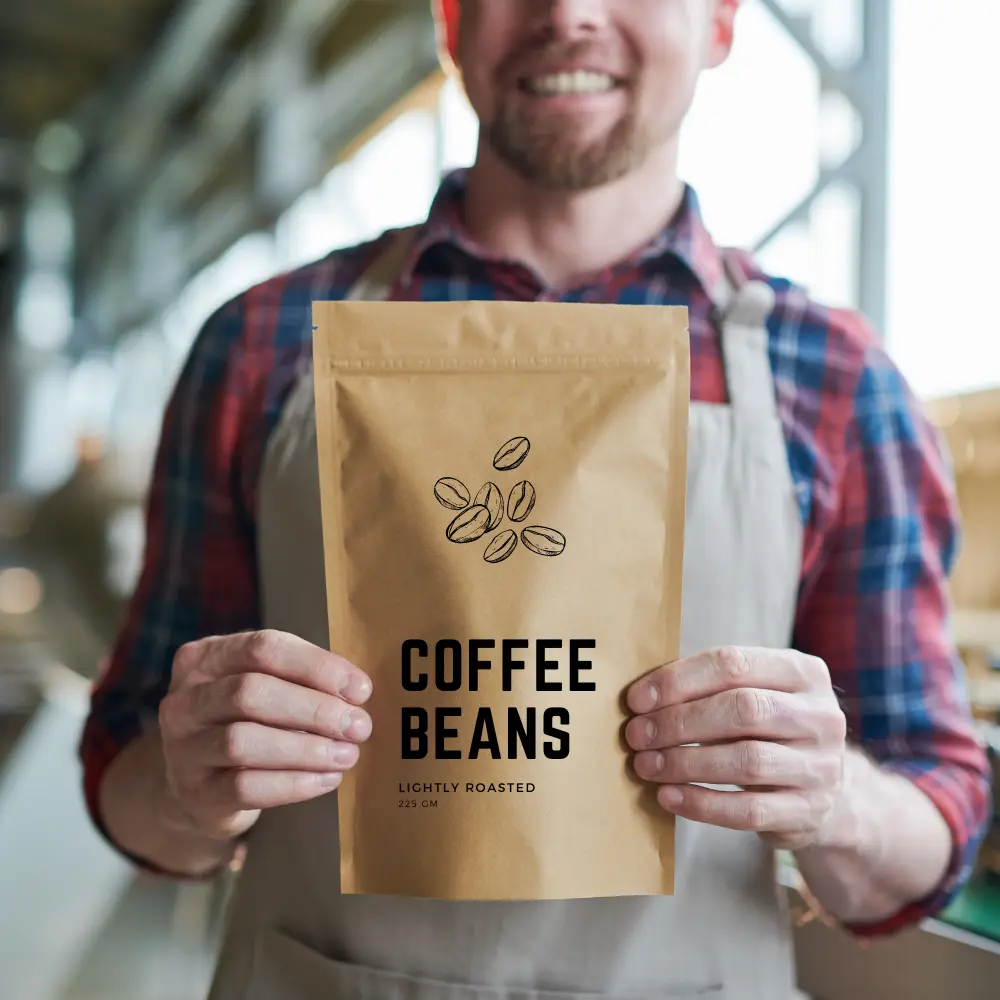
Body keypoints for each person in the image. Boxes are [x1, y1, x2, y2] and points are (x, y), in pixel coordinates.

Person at [80, 2, 992, 998]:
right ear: (449, 22)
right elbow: (127, 770)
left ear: (721, 26)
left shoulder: (834, 378)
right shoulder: (260, 344)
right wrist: (185, 784)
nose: (568, 15)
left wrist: (839, 801)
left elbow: (932, 821)